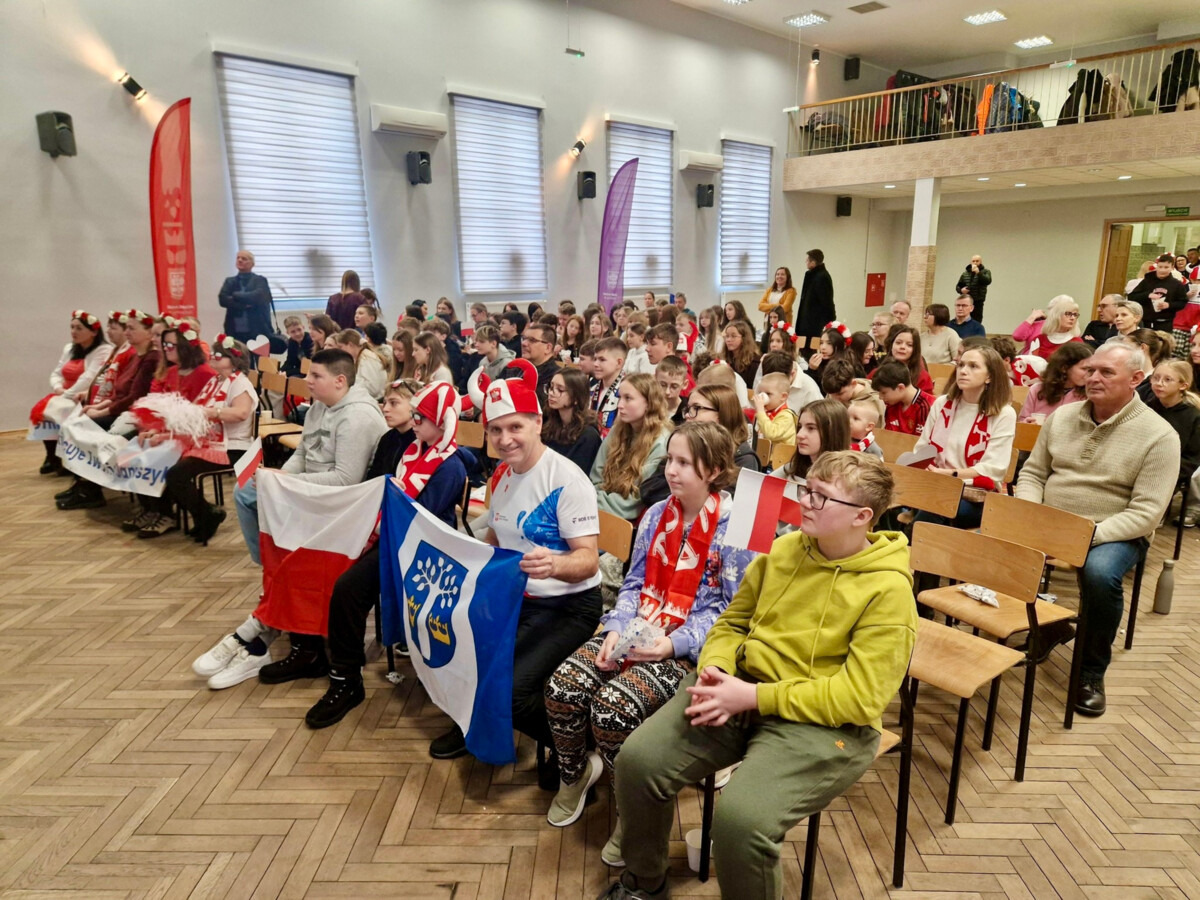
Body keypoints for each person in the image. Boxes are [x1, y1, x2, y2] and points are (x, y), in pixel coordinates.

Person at [601, 451, 916, 900]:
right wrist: (715, 666)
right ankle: (643, 882)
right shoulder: (786, 549)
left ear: (861, 517)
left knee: (741, 822)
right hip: (740, 688)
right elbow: (732, 622)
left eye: (822, 498)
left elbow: (859, 699)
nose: (805, 501)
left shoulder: (888, 591)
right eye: (808, 489)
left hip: (823, 723)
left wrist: (752, 697)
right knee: (639, 763)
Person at [545, 424, 755, 858]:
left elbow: (732, 613)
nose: (670, 471)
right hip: (639, 624)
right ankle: (575, 774)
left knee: (612, 712)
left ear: (714, 470)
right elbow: (633, 582)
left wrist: (671, 645)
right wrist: (618, 626)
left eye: (683, 463)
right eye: (669, 460)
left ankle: (632, 813)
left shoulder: (740, 525)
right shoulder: (658, 514)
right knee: (562, 688)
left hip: (686, 647)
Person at [422, 380, 601, 776]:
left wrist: (554, 564)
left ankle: (576, 747)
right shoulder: (502, 475)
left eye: (515, 427)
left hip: (567, 604)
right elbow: (495, 537)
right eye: (496, 430)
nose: (505, 439)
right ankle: (472, 724)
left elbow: (588, 561)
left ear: (538, 423)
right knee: (455, 639)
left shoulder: (566, 480)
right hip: (517, 595)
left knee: (513, 692)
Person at [287, 383, 473, 725]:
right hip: (394, 535)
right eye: (414, 414)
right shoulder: (415, 450)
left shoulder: (450, 466)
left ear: (442, 423)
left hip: (421, 551)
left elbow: (422, 521)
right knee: (322, 564)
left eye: (421, 416)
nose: (414, 422)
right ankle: (321, 658)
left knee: (348, 588)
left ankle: (346, 680)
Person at [1016, 342, 1179, 717]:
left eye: (1107, 372)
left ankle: (1091, 671)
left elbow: (1147, 513)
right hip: (1050, 519)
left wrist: (1086, 535)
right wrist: (1029, 513)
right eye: (1091, 370)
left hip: (1112, 531)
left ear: (1137, 380)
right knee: (999, 547)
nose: (1093, 378)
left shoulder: (1160, 436)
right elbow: (1034, 473)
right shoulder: (1063, 416)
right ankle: (1049, 627)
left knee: (1100, 574)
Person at [914, 347, 1016, 529]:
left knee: (937, 507)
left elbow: (993, 469)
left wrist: (948, 475)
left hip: (975, 494)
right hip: (934, 484)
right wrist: (928, 468)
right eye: (961, 365)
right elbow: (922, 448)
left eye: (973, 366)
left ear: (989, 377)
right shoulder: (943, 403)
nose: (963, 371)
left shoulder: (1003, 413)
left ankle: (910, 547)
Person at [32, 310, 112, 475]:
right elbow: (56, 373)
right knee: (42, 409)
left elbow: (88, 378)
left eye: (79, 328)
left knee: (59, 408)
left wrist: (65, 395)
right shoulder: (69, 348)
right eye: (72, 327)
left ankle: (68, 457)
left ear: (94, 332)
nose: (73, 332)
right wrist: (58, 389)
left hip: (85, 394)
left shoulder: (103, 350)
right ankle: (52, 456)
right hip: (66, 393)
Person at [590, 374, 671, 521]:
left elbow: (633, 501)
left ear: (649, 403)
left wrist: (590, 502)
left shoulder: (661, 442)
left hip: (628, 523)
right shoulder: (617, 431)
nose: (620, 405)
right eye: (619, 397)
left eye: (628, 398)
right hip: (597, 510)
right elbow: (596, 477)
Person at [543, 368, 603, 475]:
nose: (551, 393)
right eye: (551, 387)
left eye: (560, 390)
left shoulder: (589, 436)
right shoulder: (548, 420)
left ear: (576, 397)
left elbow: (578, 475)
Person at [777, 398, 851, 483]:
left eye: (811, 428)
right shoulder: (793, 466)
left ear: (832, 432)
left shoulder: (846, 479)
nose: (799, 435)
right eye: (800, 427)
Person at [1018, 343, 1093, 423]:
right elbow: (1023, 420)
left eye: (1091, 370)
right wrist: (1027, 422)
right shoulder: (1038, 389)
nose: (1089, 374)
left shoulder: (1089, 394)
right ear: (1064, 368)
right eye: (1084, 369)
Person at [217, 250, 274, 344]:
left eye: (244, 259)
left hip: (258, 330)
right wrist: (244, 305)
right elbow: (222, 300)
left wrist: (235, 295)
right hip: (234, 331)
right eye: (238, 258)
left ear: (252, 264)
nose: (240, 260)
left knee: (260, 359)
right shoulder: (229, 281)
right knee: (237, 358)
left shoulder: (260, 280)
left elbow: (258, 296)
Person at [871, 360, 936, 436]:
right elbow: (888, 436)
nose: (880, 397)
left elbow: (920, 442)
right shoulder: (891, 404)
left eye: (883, 393)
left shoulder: (926, 406)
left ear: (900, 387)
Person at [1129, 253, 1190, 332]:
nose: (1162, 270)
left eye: (1166, 267)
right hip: (1145, 322)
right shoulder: (1148, 280)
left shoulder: (1176, 284)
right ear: (1156, 266)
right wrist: (1148, 295)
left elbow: (1183, 302)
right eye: (1160, 267)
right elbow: (1132, 297)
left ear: (1172, 268)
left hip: (1165, 323)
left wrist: (1169, 305)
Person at [1013, 296, 1084, 360]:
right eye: (1068, 314)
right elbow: (1031, 365)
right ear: (1056, 315)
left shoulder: (1077, 342)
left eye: (1075, 315)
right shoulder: (1039, 339)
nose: (1072, 318)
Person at [333, 329, 389, 401]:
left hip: (375, 400)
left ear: (350, 345)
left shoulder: (367, 358)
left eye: (341, 347)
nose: (340, 350)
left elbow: (373, 388)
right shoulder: (361, 357)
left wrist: (349, 387)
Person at [877, 325, 934, 393]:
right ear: (891, 345)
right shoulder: (877, 372)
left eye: (909, 345)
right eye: (898, 343)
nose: (902, 347)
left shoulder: (923, 377)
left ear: (915, 350)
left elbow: (926, 401)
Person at [590, 337, 628, 438]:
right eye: (595, 359)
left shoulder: (630, 392)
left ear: (619, 363)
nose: (595, 364)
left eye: (602, 360)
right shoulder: (591, 388)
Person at [796, 249, 835, 343]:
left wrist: (830, 321)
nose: (806, 262)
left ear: (813, 262)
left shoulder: (822, 277)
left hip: (815, 323)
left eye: (807, 260)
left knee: (812, 348)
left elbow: (826, 302)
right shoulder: (812, 275)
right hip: (808, 321)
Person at [521, 322, 561, 409]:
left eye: (532, 340)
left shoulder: (557, 377)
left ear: (548, 348)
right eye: (524, 339)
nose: (524, 343)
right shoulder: (515, 369)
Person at [753, 373, 798, 446]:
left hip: (780, 456)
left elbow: (771, 433)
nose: (762, 396)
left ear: (783, 396)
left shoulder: (786, 416)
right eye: (761, 392)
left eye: (768, 394)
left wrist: (761, 412)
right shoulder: (768, 412)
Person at [719, 320, 761, 386]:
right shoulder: (724, 359)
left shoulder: (754, 362)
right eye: (727, 336)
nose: (728, 340)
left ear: (744, 338)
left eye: (733, 336)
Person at [955, 254, 992, 322]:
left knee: (976, 320)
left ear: (980, 262)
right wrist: (961, 290)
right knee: (964, 319)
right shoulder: (965, 273)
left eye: (977, 261)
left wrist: (978, 273)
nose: (975, 263)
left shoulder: (986, 272)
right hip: (966, 300)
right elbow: (958, 286)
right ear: (971, 262)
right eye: (973, 261)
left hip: (978, 300)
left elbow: (987, 281)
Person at [654, 356, 688, 426]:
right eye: (662, 385)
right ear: (654, 380)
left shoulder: (688, 410)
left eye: (674, 386)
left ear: (685, 384)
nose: (667, 392)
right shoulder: (648, 406)